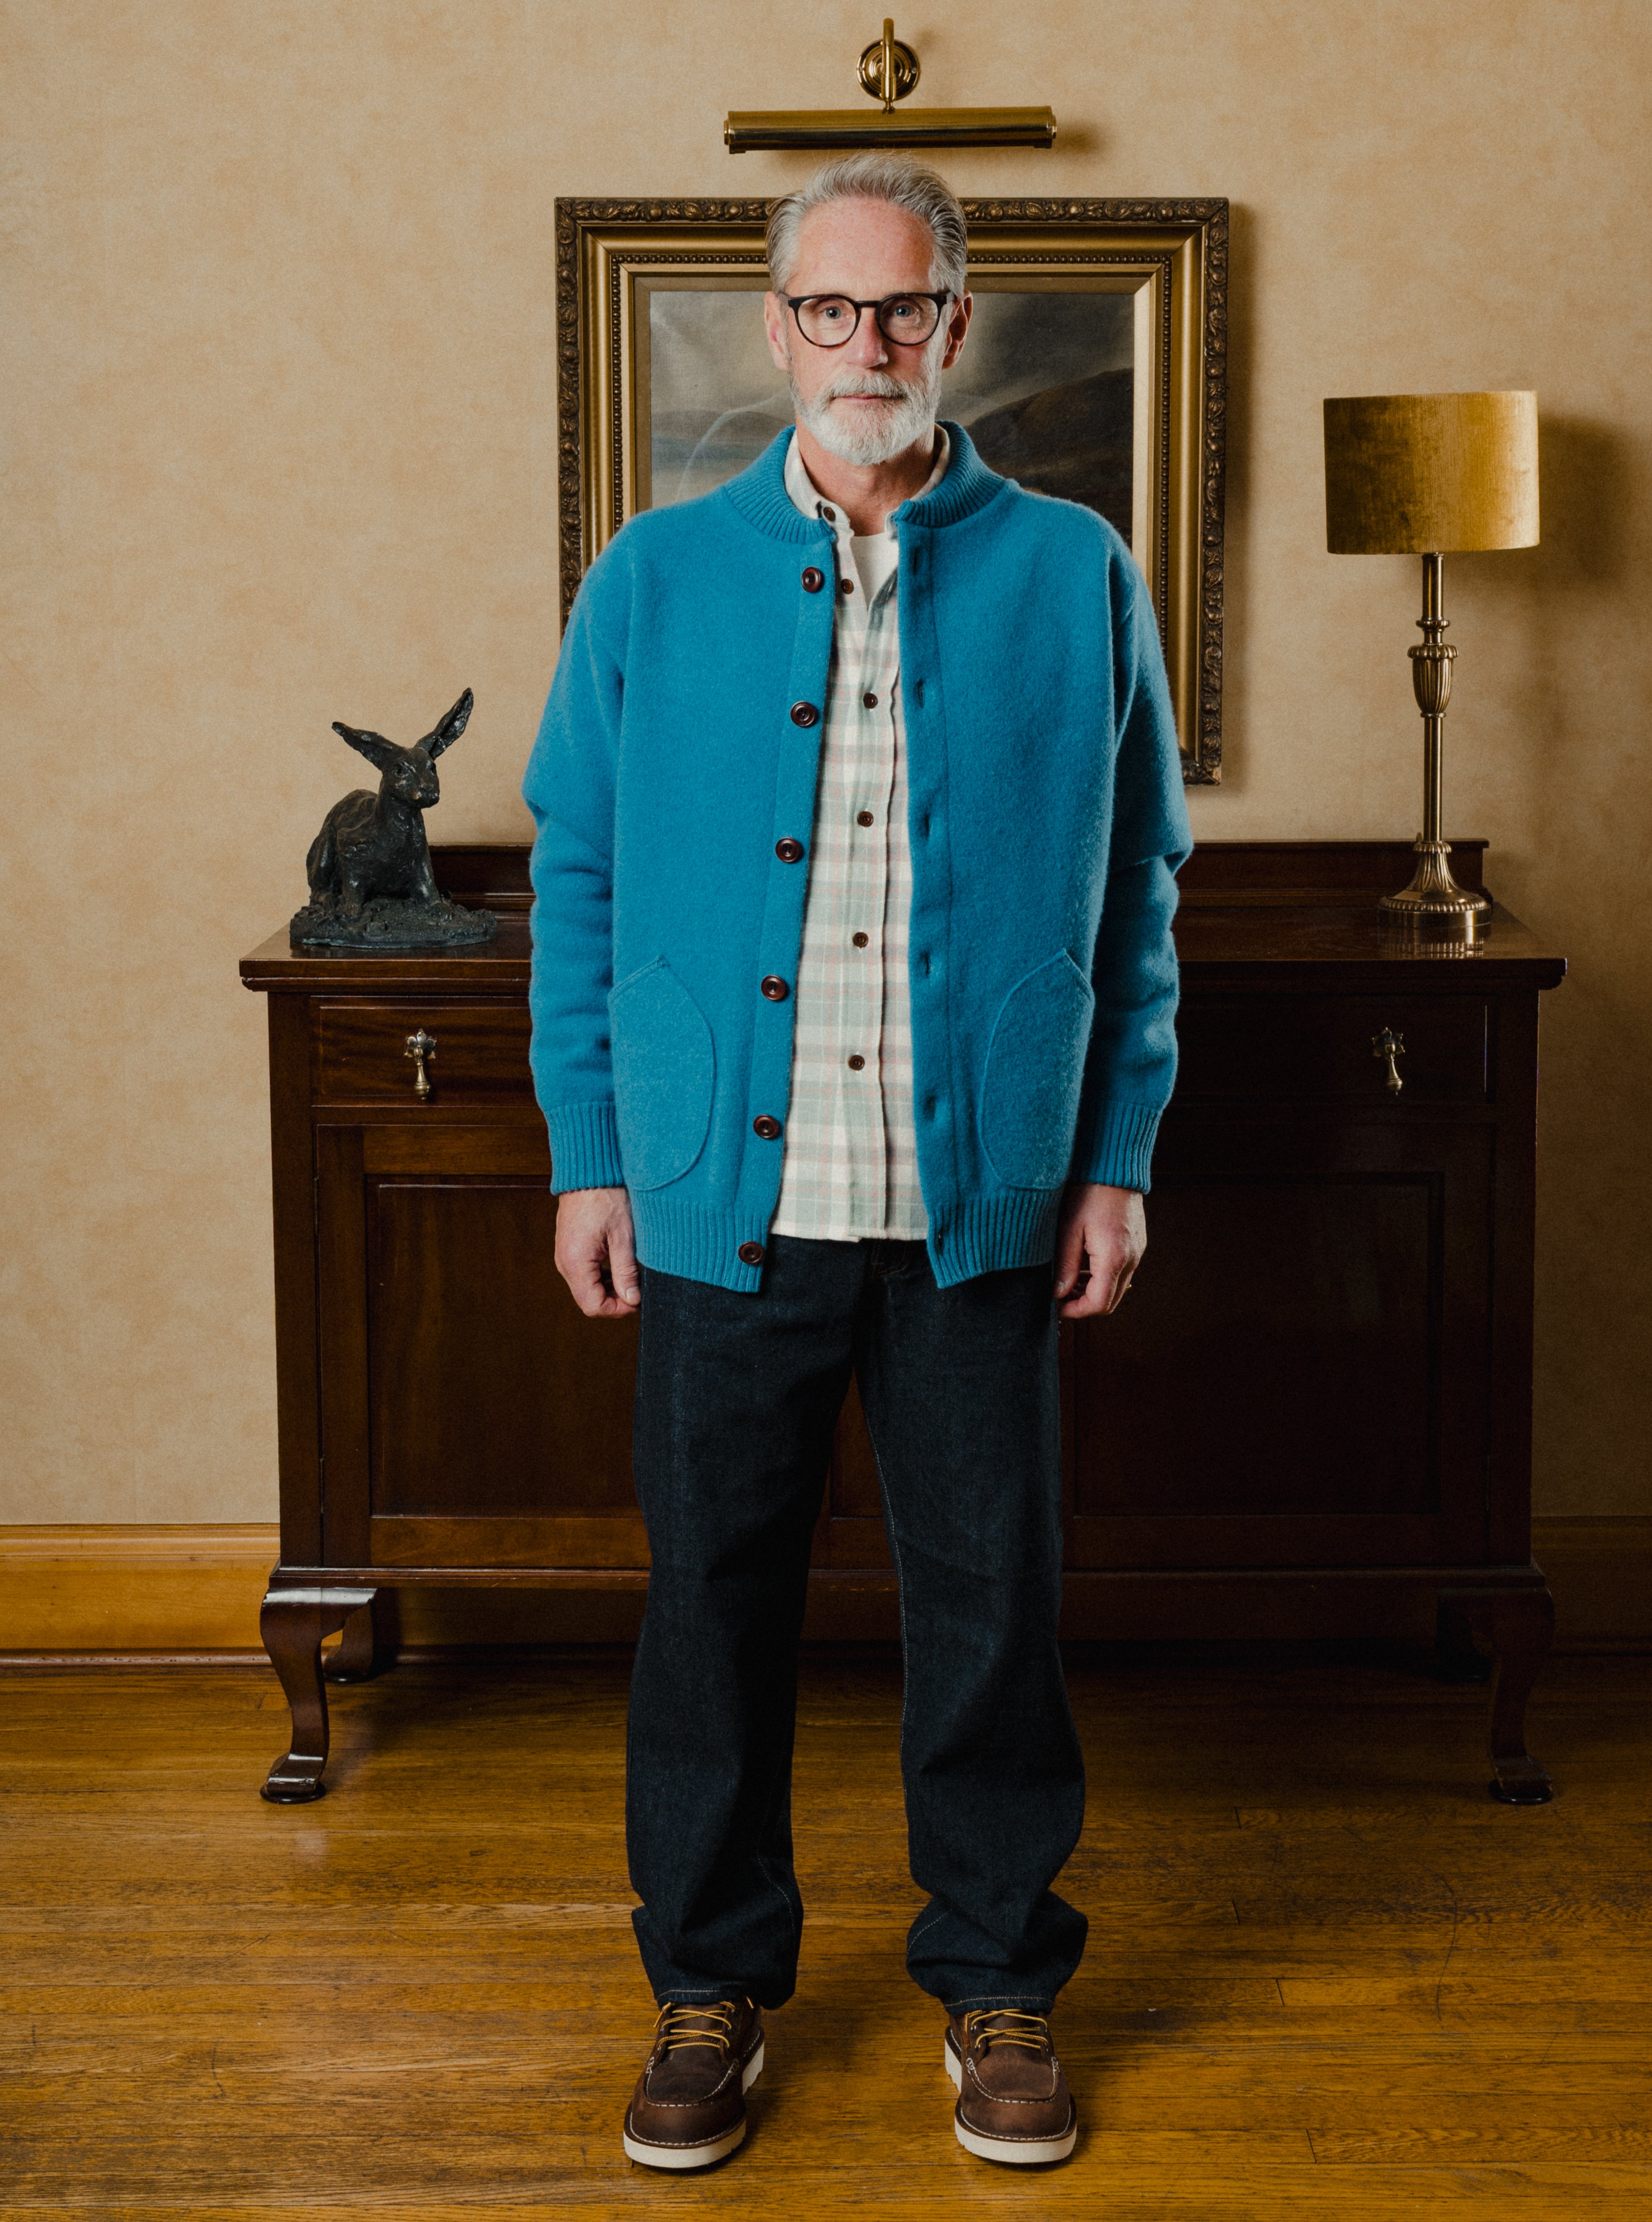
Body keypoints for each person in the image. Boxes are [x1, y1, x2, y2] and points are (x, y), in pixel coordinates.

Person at [523, 151, 1192, 2173]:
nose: (865, 346)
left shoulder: (1077, 572)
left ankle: (997, 1976)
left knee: (990, 1601)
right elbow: (578, 870)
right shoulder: (650, 578)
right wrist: (591, 1152)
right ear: (776, 324)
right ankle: (706, 1984)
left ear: (955, 324)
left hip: (974, 1198)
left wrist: (1116, 1153)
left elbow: (1141, 890)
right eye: (829, 309)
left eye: (901, 309)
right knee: (709, 1604)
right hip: (730, 1206)